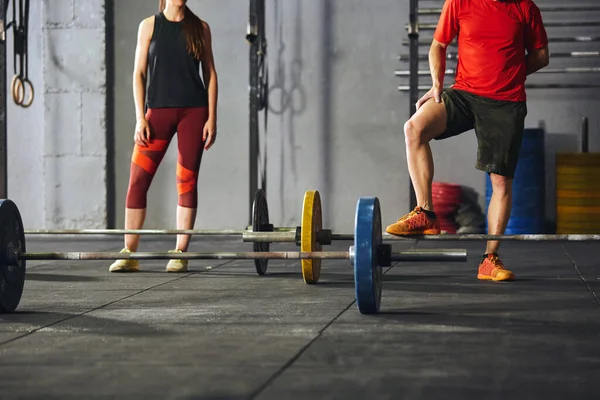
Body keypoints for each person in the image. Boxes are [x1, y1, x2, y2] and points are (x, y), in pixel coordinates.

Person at [386, 0, 549, 281]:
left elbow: (541, 55)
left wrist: (508, 74)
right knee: (414, 128)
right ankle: (425, 213)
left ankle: (489, 259)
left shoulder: (525, 8)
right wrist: (437, 85)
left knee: (500, 182)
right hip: (464, 93)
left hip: (505, 103)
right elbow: (438, 44)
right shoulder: (460, 2)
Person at [109, 0, 218, 273]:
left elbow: (210, 73)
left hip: (193, 112)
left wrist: (212, 118)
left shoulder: (200, 28)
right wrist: (139, 118)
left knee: (186, 181)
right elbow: (139, 73)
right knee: (137, 181)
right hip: (156, 112)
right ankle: (129, 252)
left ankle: (180, 252)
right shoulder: (148, 26)